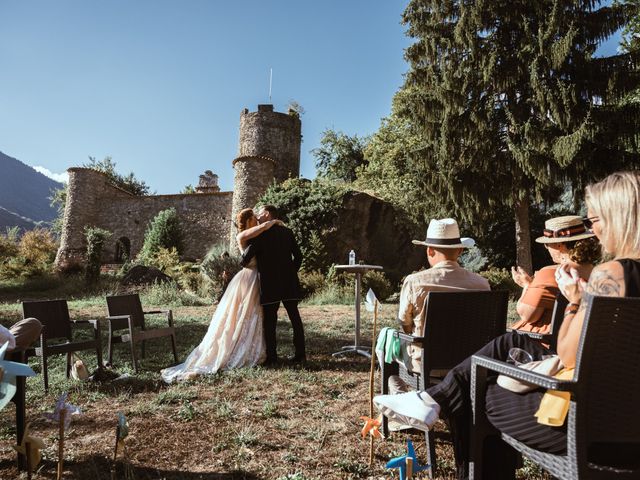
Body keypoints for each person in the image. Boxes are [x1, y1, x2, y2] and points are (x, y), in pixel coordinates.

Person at [374, 171, 640, 479]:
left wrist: (576, 300)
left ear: (616, 217)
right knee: (510, 341)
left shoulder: (613, 274)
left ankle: (437, 400)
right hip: (627, 417)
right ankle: (435, 398)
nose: (593, 230)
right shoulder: (483, 282)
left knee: (477, 392)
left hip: (594, 427)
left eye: (594, 219)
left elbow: (569, 355)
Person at [161, 208, 282, 383]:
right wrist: (273, 222)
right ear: (248, 220)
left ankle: (255, 347)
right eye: (254, 217)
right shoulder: (243, 235)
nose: (257, 220)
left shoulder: (255, 236)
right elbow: (260, 230)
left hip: (257, 278)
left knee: (254, 313)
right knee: (242, 313)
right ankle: (238, 349)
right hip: (248, 278)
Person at [390, 218, 490, 391]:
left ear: (429, 251)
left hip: (428, 364)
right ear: (460, 250)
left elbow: (404, 323)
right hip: (472, 362)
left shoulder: (415, 282)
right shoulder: (482, 284)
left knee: (387, 348)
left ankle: (403, 403)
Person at [510, 215, 599, 336]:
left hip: (541, 341)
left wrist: (526, 285)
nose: (546, 248)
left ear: (559, 244)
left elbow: (527, 315)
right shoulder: (596, 271)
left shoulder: (549, 273)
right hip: (578, 337)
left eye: (547, 244)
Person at [241, 204, 306, 365]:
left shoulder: (260, 236)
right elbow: (298, 256)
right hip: (289, 282)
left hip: (270, 284)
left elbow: (245, 259)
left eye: (260, 213)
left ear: (267, 214)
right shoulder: (287, 232)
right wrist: (291, 272)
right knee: (295, 318)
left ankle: (272, 357)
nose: (257, 216)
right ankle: (301, 354)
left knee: (270, 322)